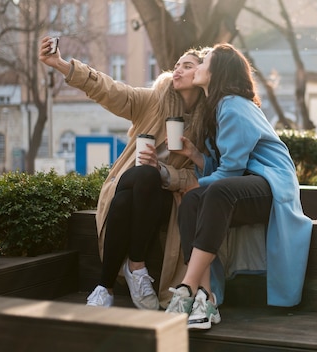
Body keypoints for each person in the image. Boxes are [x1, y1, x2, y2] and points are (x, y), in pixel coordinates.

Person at [38, 36, 206, 310]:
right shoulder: (155, 100)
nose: (177, 69)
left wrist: (165, 171)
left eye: (187, 66)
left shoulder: (207, 123)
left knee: (133, 194)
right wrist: (61, 64)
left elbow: (202, 175)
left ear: (202, 75)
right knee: (144, 175)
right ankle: (136, 267)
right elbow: (110, 90)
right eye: (176, 64)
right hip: (133, 178)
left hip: (164, 198)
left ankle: (104, 287)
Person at [165, 43, 313, 330]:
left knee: (210, 190)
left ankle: (187, 288)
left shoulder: (233, 104)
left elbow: (231, 171)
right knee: (193, 200)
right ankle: (206, 298)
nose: (199, 66)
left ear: (217, 71)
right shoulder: (216, 107)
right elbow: (227, 169)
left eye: (204, 61)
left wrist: (198, 181)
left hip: (271, 185)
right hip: (243, 186)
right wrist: (196, 156)